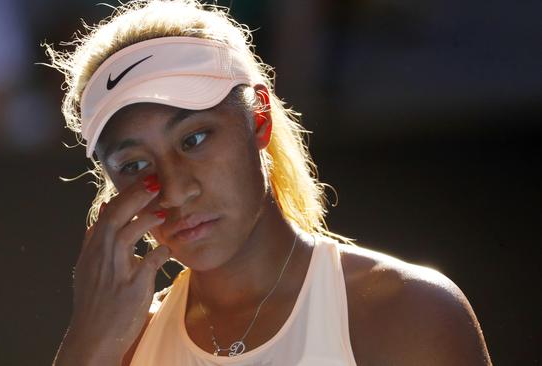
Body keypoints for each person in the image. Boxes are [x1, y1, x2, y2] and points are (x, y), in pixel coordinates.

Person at [44, 1, 492, 365]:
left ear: (259, 116)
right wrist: (85, 347)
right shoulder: (119, 347)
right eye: (134, 166)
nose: (176, 190)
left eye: (194, 139)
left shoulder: (406, 313)